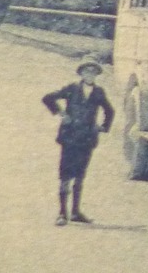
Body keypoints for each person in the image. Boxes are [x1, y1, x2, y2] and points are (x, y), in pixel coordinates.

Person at [42, 59, 114, 225]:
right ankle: (62, 213)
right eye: (87, 71)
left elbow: (110, 111)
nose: (90, 75)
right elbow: (47, 98)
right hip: (70, 137)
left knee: (80, 175)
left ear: (96, 75)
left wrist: (103, 127)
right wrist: (61, 113)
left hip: (87, 138)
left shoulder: (99, 92)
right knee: (65, 174)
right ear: (81, 73)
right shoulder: (71, 89)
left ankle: (75, 212)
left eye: (93, 72)